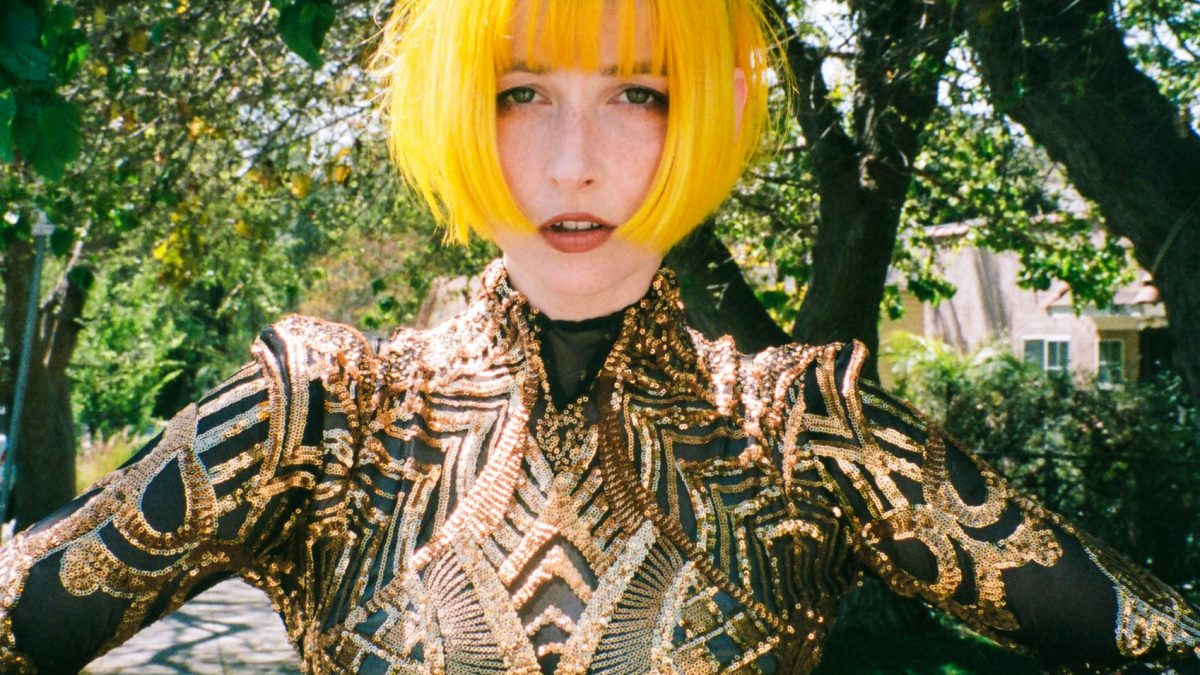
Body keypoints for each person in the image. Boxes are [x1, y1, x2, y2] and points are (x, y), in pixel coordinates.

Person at [1, 0, 1199, 672]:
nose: (573, 164)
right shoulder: (320, 421)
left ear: (714, 111)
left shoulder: (805, 437)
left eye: (640, 93)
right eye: (520, 92)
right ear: (452, 106)